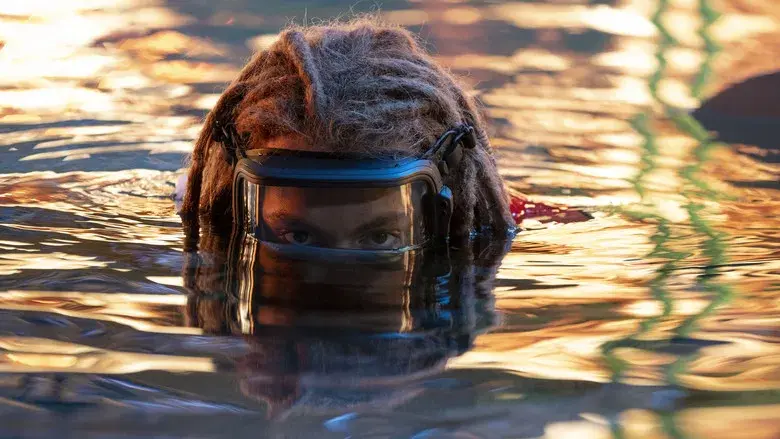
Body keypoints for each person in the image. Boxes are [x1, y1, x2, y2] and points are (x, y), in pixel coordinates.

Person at [179, 18, 516, 246]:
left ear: (445, 212)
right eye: (298, 235)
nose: (331, 285)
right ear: (233, 207)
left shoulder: (490, 226)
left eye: (379, 238)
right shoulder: (201, 216)